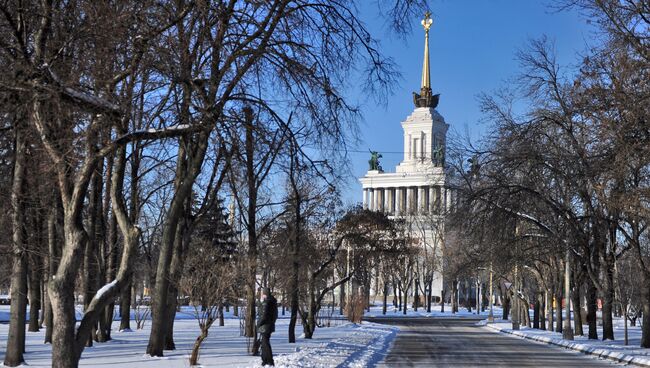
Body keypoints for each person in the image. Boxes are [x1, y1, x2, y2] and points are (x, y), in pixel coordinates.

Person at [257, 287, 278, 366]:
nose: (261, 295)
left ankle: (269, 360)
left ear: (264, 294)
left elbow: (264, 315)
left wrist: (259, 324)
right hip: (268, 325)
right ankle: (265, 360)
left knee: (265, 343)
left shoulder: (267, 302)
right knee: (264, 343)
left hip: (265, 326)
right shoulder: (271, 301)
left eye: (262, 293)